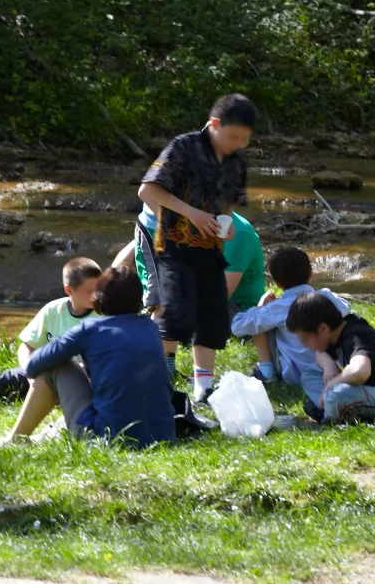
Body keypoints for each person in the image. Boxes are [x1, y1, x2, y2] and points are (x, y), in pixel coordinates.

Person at [137, 93, 254, 403]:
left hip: (211, 249)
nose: (237, 144)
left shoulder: (235, 160)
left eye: (244, 139)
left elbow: (229, 201)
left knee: (214, 318)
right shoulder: (183, 147)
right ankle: (160, 378)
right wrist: (191, 214)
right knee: (175, 313)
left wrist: (226, 226)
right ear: (214, 124)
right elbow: (147, 190)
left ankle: (204, 389)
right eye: (233, 136)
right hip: (174, 246)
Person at [2, 267, 176, 448]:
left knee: (55, 365)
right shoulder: (151, 327)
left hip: (109, 440)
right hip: (163, 435)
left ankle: (16, 439)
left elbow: (34, 364)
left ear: (99, 299)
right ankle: (50, 431)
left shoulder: (89, 329)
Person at [115, 210, 268, 382]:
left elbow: (220, 296)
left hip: (238, 307)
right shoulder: (190, 220)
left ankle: (174, 373)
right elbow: (119, 266)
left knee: (169, 315)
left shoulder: (238, 233)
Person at [0, 257, 101, 405]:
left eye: (99, 289)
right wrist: (29, 372)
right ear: (69, 290)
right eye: (89, 291)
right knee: (2, 380)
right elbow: (27, 346)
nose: (97, 296)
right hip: (45, 374)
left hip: (84, 378)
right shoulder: (53, 310)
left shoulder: (104, 314)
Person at [232, 247, 350, 421]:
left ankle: (267, 372)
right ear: (311, 273)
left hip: (295, 374)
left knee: (257, 321)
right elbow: (346, 307)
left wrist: (260, 307)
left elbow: (237, 326)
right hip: (333, 366)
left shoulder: (276, 308)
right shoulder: (325, 296)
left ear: (276, 282)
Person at [286, 291, 375, 424]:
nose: (304, 345)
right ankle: (331, 409)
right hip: (365, 389)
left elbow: (361, 371)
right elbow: (320, 354)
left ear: (323, 329)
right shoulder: (335, 333)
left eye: (305, 339)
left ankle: (329, 417)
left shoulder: (354, 336)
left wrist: (333, 383)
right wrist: (329, 365)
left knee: (338, 394)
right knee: (309, 375)